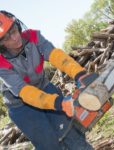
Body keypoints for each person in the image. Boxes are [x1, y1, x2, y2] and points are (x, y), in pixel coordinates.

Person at [0, 10, 94, 150]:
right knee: (48, 144)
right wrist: (58, 103)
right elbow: (25, 92)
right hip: (21, 106)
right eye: (7, 38)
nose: (14, 38)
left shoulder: (34, 37)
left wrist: (79, 74)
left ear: (18, 26)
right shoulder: (1, 63)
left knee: (71, 132)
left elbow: (56, 55)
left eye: (13, 31)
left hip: (44, 86)